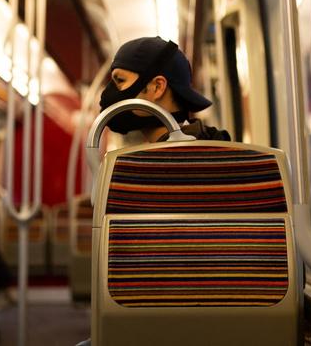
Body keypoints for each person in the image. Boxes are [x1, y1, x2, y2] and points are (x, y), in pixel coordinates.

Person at [75, 38, 229, 346]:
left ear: (156, 86)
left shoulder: (142, 171)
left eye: (120, 81)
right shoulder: (220, 155)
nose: (110, 95)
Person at [98, 36, 230, 141]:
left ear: (157, 87)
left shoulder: (146, 167)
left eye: (120, 80)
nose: (109, 92)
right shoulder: (214, 149)